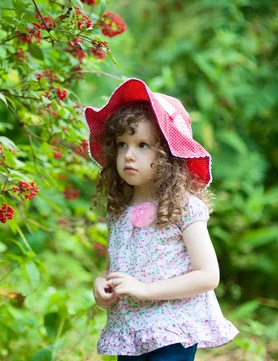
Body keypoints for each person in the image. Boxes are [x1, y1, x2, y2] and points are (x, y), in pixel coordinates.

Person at [85, 78, 239, 360]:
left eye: (142, 144)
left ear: (168, 153)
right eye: (122, 144)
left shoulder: (184, 207)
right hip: (130, 330)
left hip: (173, 327)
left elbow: (208, 275)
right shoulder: (118, 210)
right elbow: (114, 269)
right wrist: (101, 284)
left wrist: (145, 289)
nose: (129, 155)